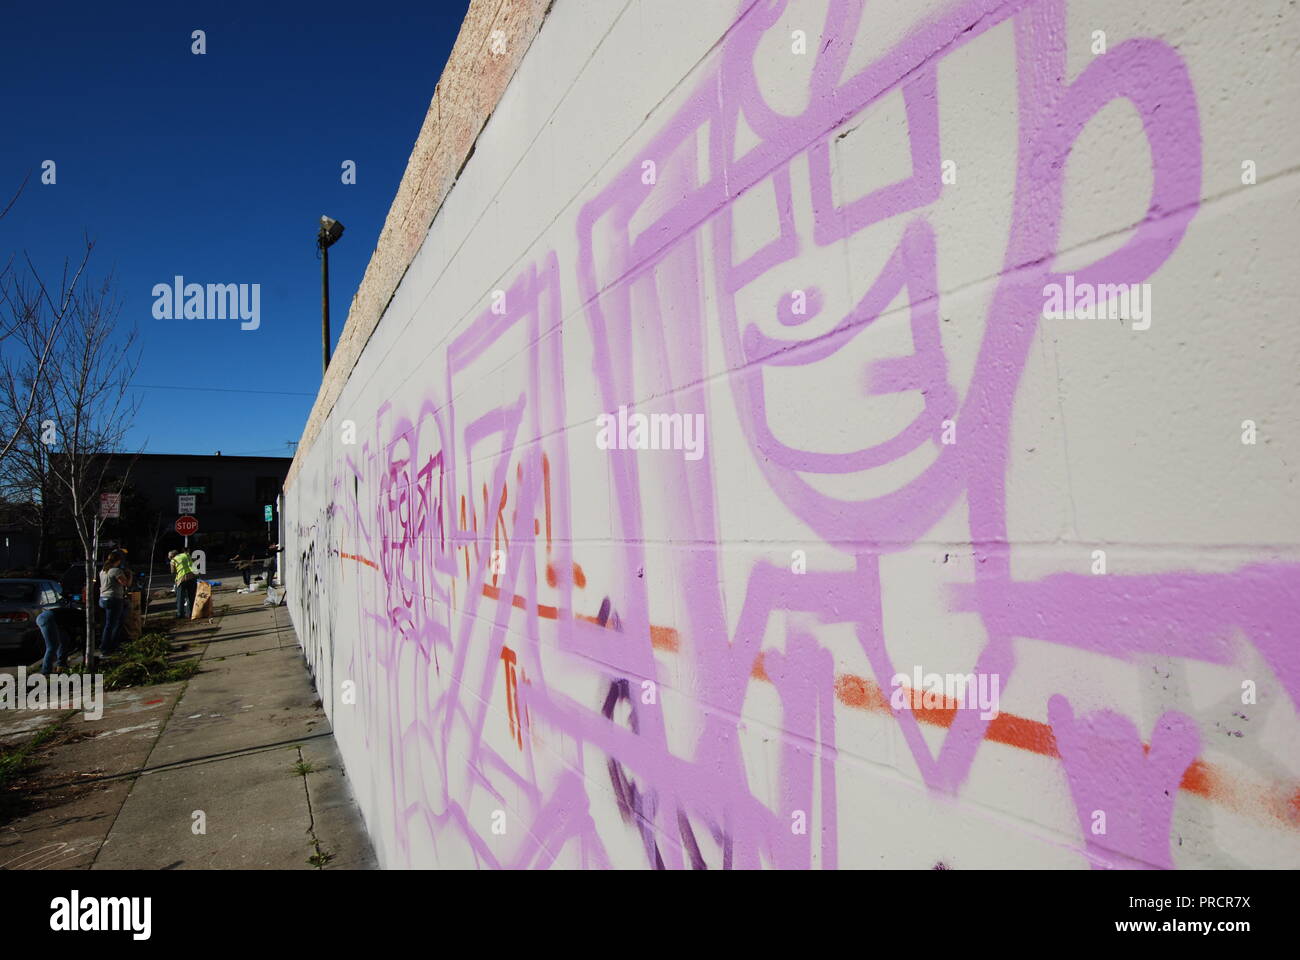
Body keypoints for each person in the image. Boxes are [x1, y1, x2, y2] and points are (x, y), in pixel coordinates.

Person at [98, 550, 130, 657]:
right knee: (112, 624)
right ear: (118, 560)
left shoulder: (103, 571)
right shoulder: (116, 571)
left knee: (113, 623)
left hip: (103, 598)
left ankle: (112, 645)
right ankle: (107, 647)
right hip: (114, 599)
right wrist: (129, 576)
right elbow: (125, 583)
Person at [168, 548, 198, 619]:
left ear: (172, 556)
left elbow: (172, 571)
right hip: (192, 577)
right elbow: (192, 564)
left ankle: (180, 614)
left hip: (181, 580)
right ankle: (190, 614)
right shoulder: (186, 555)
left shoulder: (173, 560)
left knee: (180, 597)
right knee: (191, 597)